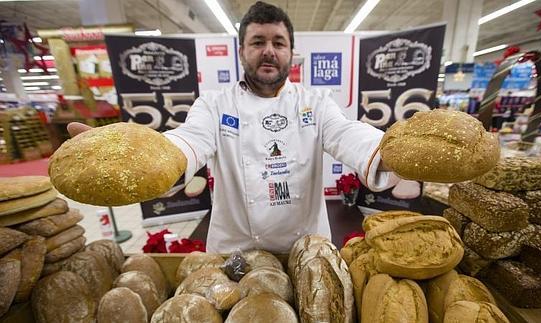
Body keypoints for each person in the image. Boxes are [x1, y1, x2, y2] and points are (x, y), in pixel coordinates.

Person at [69, 1, 395, 253]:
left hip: (306, 250)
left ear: (291, 53)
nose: (268, 50)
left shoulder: (317, 102)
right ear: (241, 51)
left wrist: (392, 150)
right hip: (236, 254)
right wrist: (138, 156)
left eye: (278, 42)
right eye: (258, 42)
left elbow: (346, 132)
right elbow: (188, 141)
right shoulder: (214, 105)